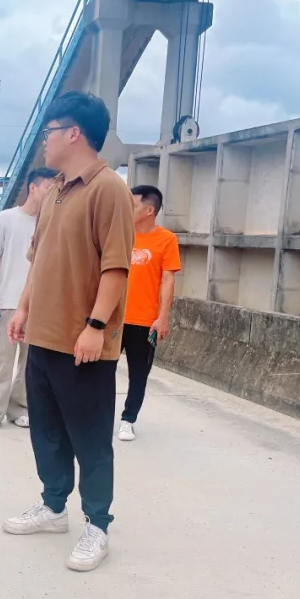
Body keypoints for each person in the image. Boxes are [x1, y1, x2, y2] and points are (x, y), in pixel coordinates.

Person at [2, 91, 135, 572]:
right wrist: (23, 309)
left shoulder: (108, 189)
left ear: (74, 133)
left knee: (90, 439)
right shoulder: (55, 191)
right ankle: (54, 506)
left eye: (50, 132)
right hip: (42, 336)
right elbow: (38, 260)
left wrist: (96, 326)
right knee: (48, 432)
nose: (45, 141)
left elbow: (116, 268)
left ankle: (97, 525)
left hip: (82, 343)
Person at [0, 166, 57, 430]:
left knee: (30, 364)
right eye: (49, 188)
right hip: (7, 302)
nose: (53, 193)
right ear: (33, 188)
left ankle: (20, 409)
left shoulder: (51, 222)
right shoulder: (5, 219)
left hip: (38, 306)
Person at [118, 184, 181, 442]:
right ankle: (95, 417)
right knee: (99, 371)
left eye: (132, 206)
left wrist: (162, 317)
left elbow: (167, 280)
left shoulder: (166, 240)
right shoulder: (120, 235)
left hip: (144, 321)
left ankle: (128, 420)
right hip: (113, 318)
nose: (127, 210)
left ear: (149, 210)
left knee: (138, 374)